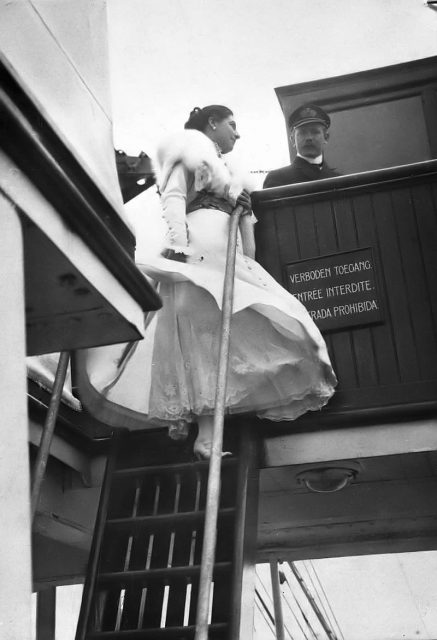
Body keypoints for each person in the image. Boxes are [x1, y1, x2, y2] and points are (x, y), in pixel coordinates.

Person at [86, 105, 337, 458]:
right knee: (203, 339)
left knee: (228, 336)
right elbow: (173, 198)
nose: (237, 133)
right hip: (200, 249)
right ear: (213, 123)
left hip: (229, 252)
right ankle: (206, 438)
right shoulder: (189, 154)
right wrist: (177, 242)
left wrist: (249, 254)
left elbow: (246, 224)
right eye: (232, 125)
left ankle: (208, 437)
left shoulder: (233, 171)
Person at [263, 104, 340, 188]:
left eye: (315, 132)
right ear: (292, 140)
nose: (309, 138)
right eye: (302, 133)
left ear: (326, 137)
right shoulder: (277, 179)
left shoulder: (340, 181)